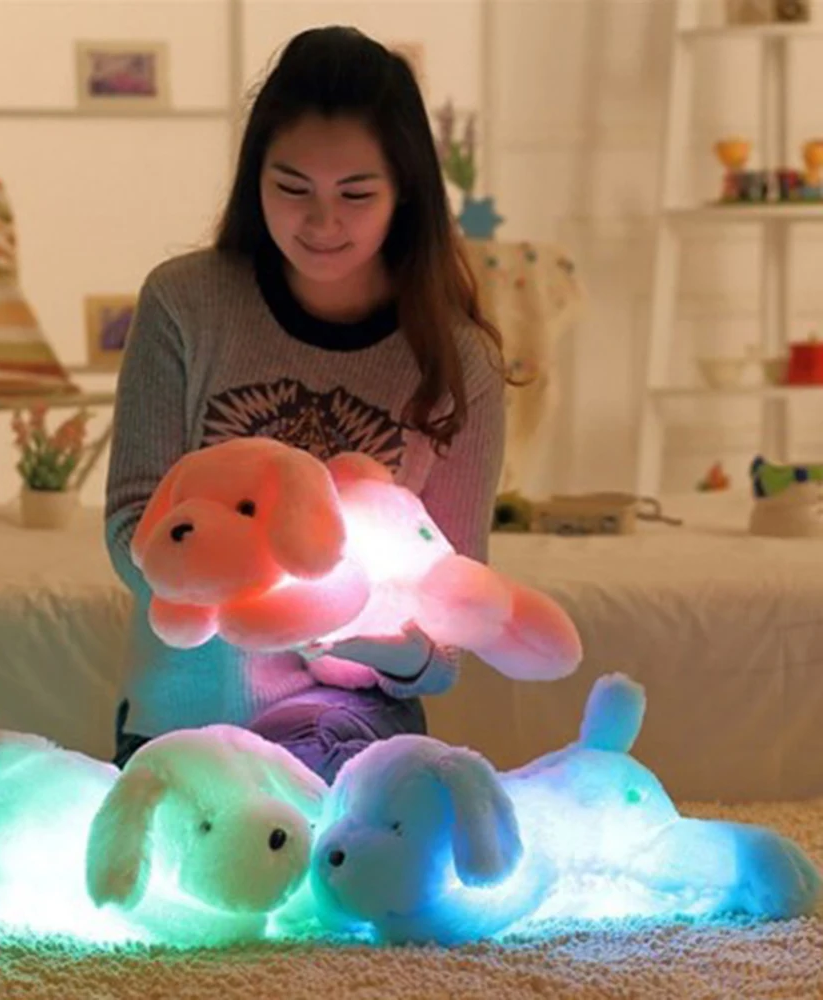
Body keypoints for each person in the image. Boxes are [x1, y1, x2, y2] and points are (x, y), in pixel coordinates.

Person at [104, 24, 509, 783]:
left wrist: (399, 648)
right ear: (255, 179)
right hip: (183, 728)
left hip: (353, 736)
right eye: (292, 189)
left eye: (356, 194)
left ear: (405, 191)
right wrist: (285, 593)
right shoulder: (186, 305)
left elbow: (456, 614)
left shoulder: (460, 363)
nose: (322, 223)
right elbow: (132, 527)